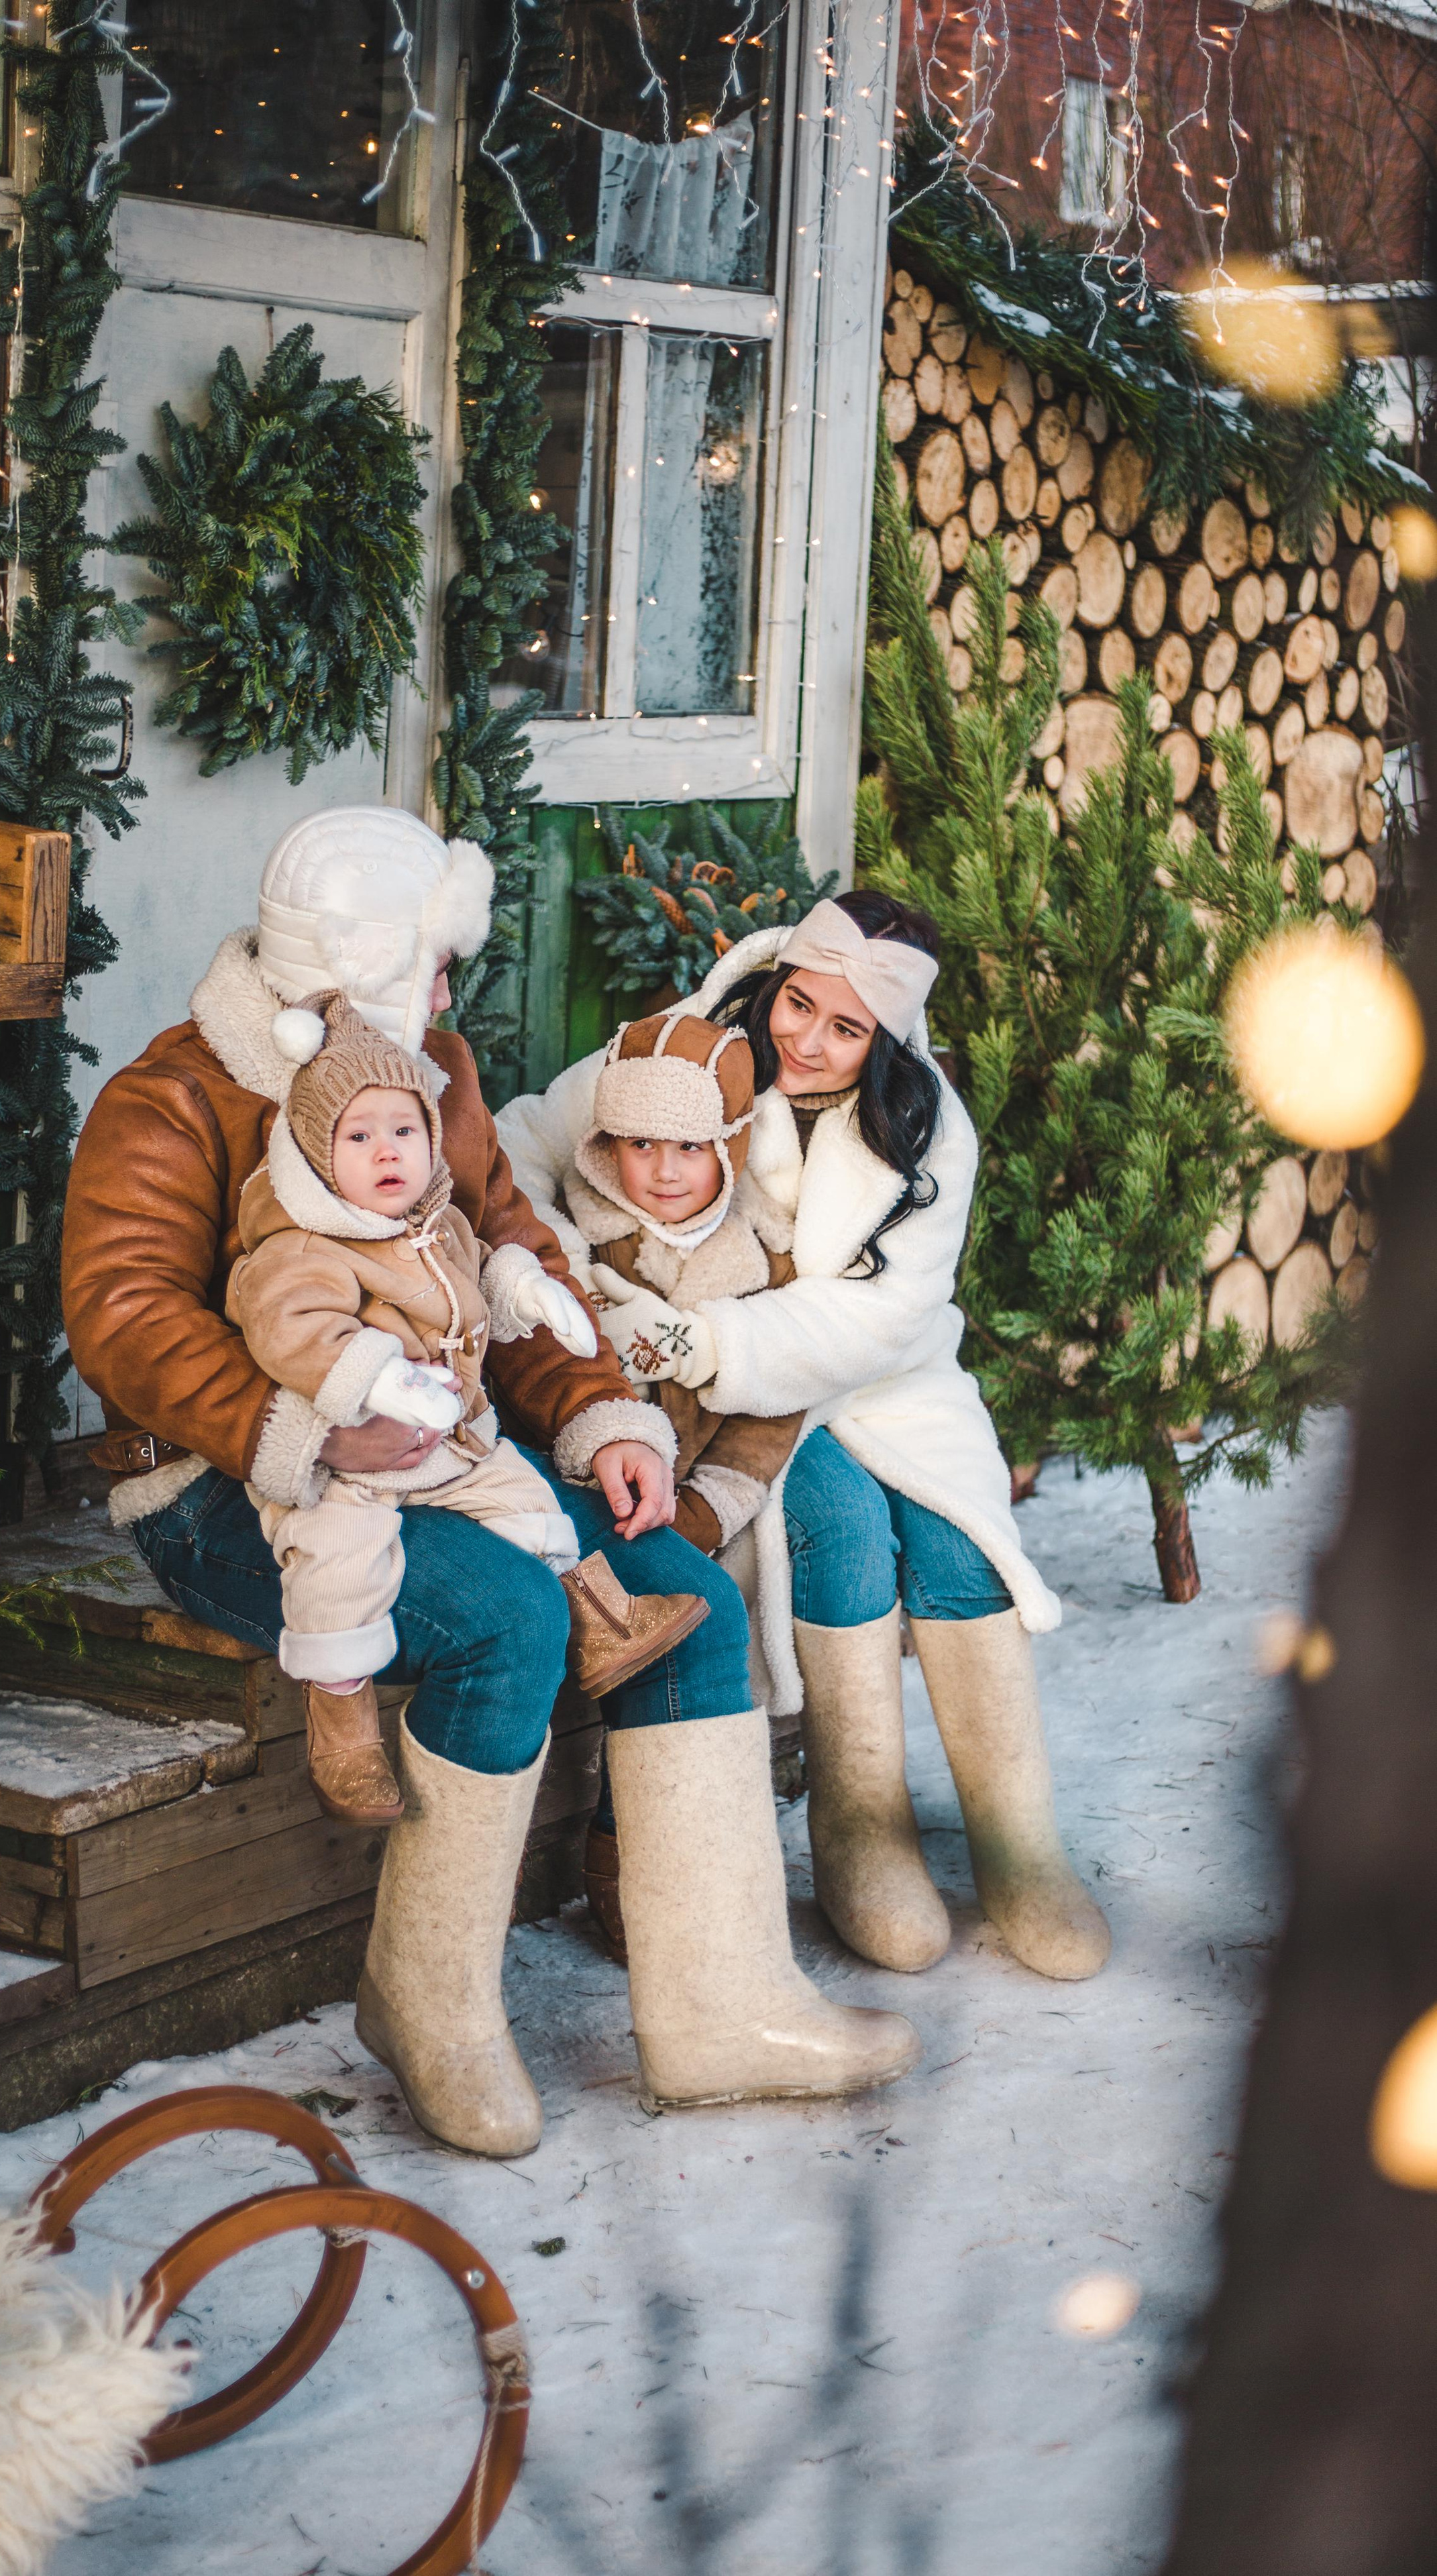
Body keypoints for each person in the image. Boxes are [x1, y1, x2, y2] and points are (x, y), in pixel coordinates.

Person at [62, 808, 920, 2161]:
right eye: (434, 964)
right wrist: (309, 1431)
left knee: (671, 1580)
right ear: (350, 967)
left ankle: (717, 2003)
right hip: (232, 1482)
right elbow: (124, 1319)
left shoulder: (428, 1072)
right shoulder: (170, 1096)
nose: (452, 994)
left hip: (448, 1453)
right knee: (509, 1618)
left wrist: (601, 1421)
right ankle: (427, 2000)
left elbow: (507, 1263)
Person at [498, 888, 1112, 1984]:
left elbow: (884, 1316)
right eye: (800, 1005)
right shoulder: (683, 1054)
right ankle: (860, 1836)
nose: (810, 1042)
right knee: (836, 1523)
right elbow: (522, 1147)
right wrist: (578, 1283)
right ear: (776, 978)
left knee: (962, 1544)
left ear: (889, 1039)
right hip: (743, 1405)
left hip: (880, 1378)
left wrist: (698, 1338)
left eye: (847, 1028)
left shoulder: (926, 1130)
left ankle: (1024, 1854)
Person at [223, 985, 708, 1827]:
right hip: (351, 1463)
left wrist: (529, 1291)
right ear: (314, 1150)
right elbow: (291, 1330)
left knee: (532, 1508)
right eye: (359, 1136)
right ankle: (339, 1716)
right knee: (337, 1565)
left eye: (404, 1132)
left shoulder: (434, 1221)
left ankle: (601, 1621)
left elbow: (484, 1260)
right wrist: (376, 1377)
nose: (388, 1153)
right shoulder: (301, 1246)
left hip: (455, 1447)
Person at [541, 1006, 806, 1957]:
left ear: (729, 1149)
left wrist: (706, 1509)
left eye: (688, 1148)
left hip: (688, 1501)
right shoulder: (578, 1236)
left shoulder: (757, 1265)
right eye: (639, 1143)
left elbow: (772, 1412)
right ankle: (622, 1861)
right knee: (644, 1617)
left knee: (705, 1623)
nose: (660, 1169)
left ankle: (674, 1847)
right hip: (578, 1474)